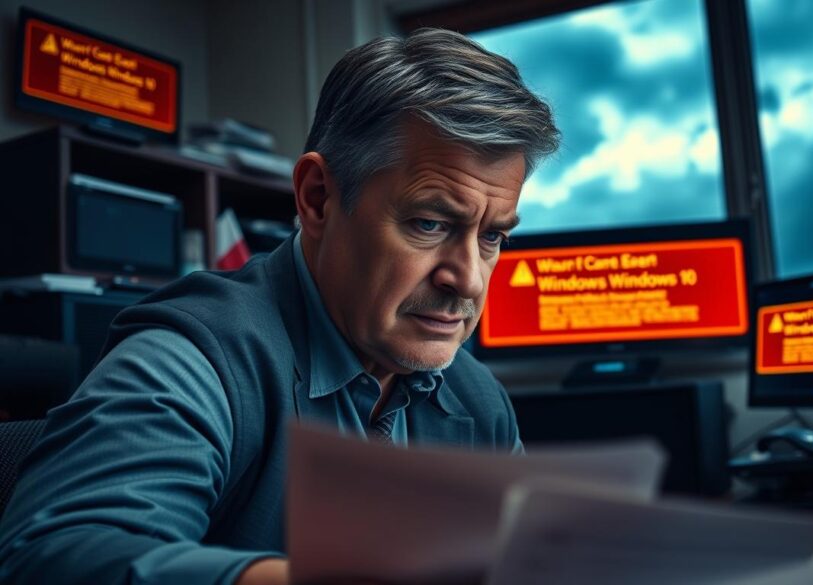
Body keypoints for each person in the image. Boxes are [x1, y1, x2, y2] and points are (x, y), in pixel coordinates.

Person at [0, 28, 559, 585]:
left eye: (492, 238)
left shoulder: (478, 400)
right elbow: (52, 557)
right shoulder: (191, 360)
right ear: (317, 197)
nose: (466, 279)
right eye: (429, 223)